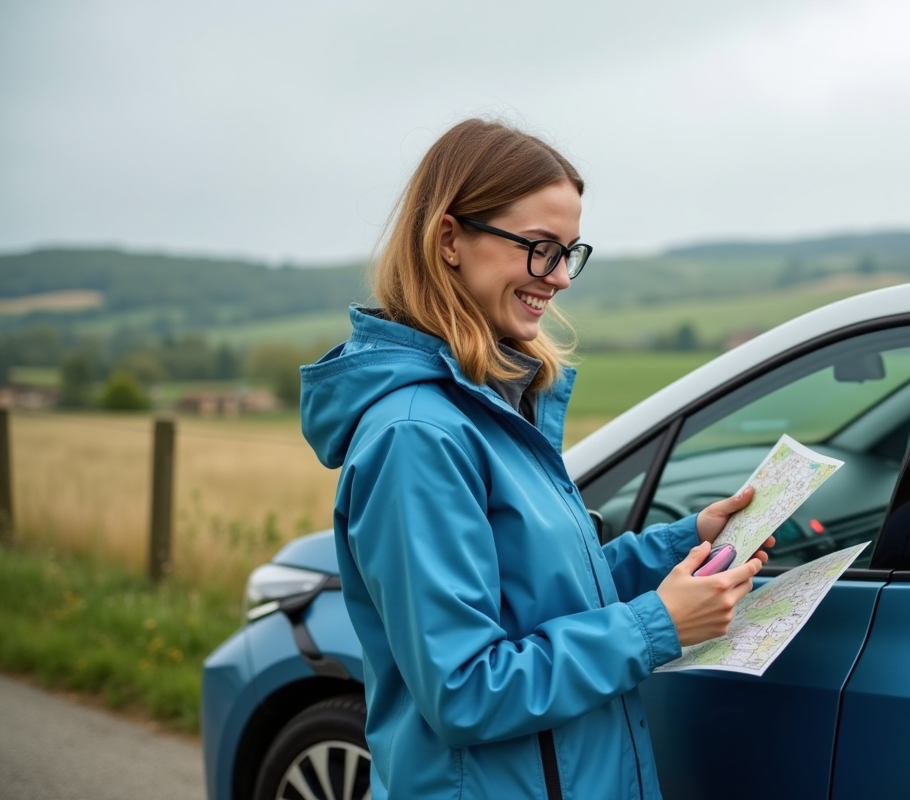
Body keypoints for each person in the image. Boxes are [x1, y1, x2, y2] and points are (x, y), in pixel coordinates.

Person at [300, 118, 772, 800]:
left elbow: (547, 597)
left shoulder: (491, 410)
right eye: (540, 249)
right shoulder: (416, 437)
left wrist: (685, 544)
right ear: (449, 240)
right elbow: (465, 688)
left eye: (569, 252)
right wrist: (658, 626)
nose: (560, 277)